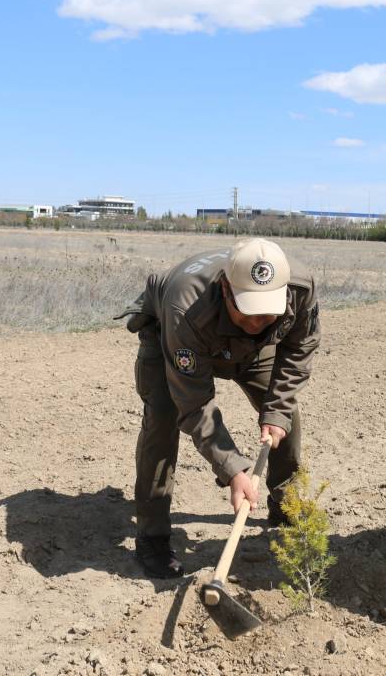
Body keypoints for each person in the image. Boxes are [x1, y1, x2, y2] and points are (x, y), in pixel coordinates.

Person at [116, 238, 320, 578]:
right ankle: (152, 538)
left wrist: (276, 410)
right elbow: (194, 404)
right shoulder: (185, 307)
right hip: (177, 335)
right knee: (162, 423)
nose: (258, 322)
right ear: (226, 288)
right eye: (248, 310)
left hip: (254, 351)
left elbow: (299, 350)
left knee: (285, 418)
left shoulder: (299, 288)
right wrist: (234, 470)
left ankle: (286, 506)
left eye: (268, 311)